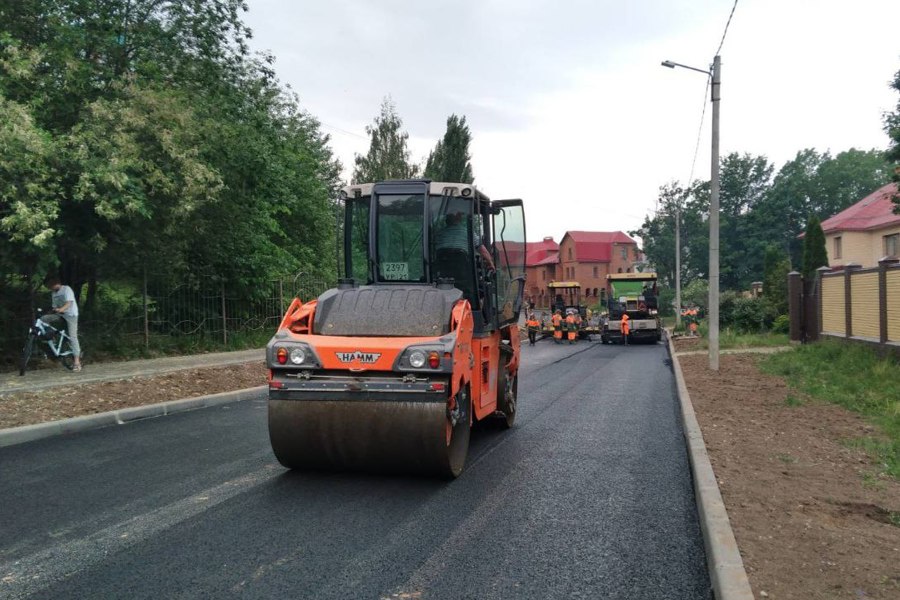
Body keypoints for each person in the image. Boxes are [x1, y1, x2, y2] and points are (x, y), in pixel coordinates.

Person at [43, 276, 82, 371]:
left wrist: (61, 309)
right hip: (60, 315)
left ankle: (77, 362)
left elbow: (69, 303)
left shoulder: (66, 289)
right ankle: (52, 338)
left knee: (73, 336)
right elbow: (54, 306)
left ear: (55, 284)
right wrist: (53, 310)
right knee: (43, 319)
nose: (49, 288)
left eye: (49, 286)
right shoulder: (53, 293)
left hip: (71, 315)